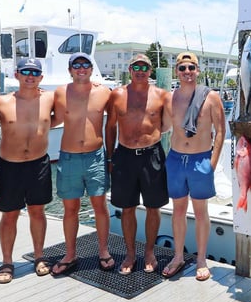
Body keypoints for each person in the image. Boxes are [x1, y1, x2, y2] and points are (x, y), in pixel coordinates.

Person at [105, 53, 171, 275]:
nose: (140, 70)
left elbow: (172, 122)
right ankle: (131, 253)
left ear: (150, 71)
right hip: (124, 155)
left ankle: (150, 252)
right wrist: (109, 156)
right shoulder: (117, 95)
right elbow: (110, 127)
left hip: (152, 155)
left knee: (154, 207)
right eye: (136, 67)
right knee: (127, 208)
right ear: (130, 70)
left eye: (145, 67)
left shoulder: (162, 95)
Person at [162, 52, 226, 281]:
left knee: (201, 212)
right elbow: (160, 126)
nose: (187, 72)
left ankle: (201, 260)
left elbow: (221, 132)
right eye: (182, 68)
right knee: (178, 211)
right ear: (176, 71)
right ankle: (178, 256)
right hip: (177, 159)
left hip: (200, 160)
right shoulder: (170, 98)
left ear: (198, 70)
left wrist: (212, 163)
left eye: (191, 68)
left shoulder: (212, 97)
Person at [0, 58, 58, 284]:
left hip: (39, 164)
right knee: (9, 215)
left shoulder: (50, 98)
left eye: (34, 72)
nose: (30, 76)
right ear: (16, 74)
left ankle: (39, 256)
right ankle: (7, 262)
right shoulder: (1, 102)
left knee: (37, 211)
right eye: (25, 72)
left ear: (41, 77)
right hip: (10, 166)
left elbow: (65, 109)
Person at [51, 52, 113, 275]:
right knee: (70, 209)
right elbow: (47, 118)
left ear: (91, 69)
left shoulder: (104, 92)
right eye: (76, 65)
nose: (81, 68)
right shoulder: (59, 92)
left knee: (100, 206)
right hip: (68, 158)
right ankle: (70, 254)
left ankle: (104, 251)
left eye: (85, 64)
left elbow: (117, 119)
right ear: (70, 70)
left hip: (95, 156)